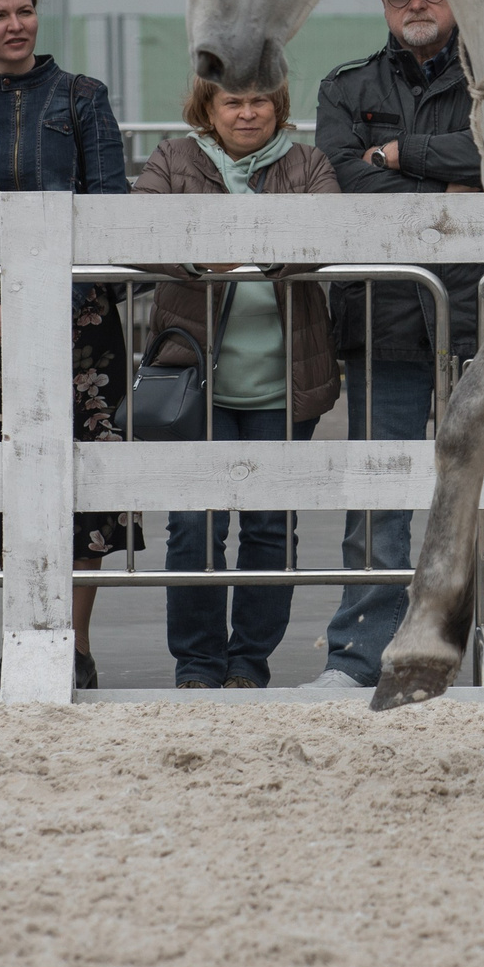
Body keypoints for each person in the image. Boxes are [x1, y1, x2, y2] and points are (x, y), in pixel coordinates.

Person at [312, 0, 484, 689]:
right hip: (384, 320)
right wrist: (452, 186)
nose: (416, 4)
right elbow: (341, 179)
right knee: (378, 498)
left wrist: (400, 154)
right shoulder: (345, 87)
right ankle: (356, 657)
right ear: (384, 6)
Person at [0, 0, 135, 691]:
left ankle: (72, 644)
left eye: (24, 10)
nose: (14, 25)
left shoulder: (84, 99)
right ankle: (23, 634)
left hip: (81, 326)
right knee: (6, 485)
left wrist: (57, 304)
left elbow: (109, 210)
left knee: (84, 488)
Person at [132, 74, 341, 687]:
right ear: (209, 108)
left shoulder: (309, 162)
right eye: (233, 102)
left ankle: (249, 661)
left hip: (286, 380)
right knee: (194, 521)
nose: (248, 113)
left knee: (270, 524)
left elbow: (329, 230)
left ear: (279, 105)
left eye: (260, 101)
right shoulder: (173, 158)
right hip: (195, 380)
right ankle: (197, 662)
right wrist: (200, 261)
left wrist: (258, 253)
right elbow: (139, 229)